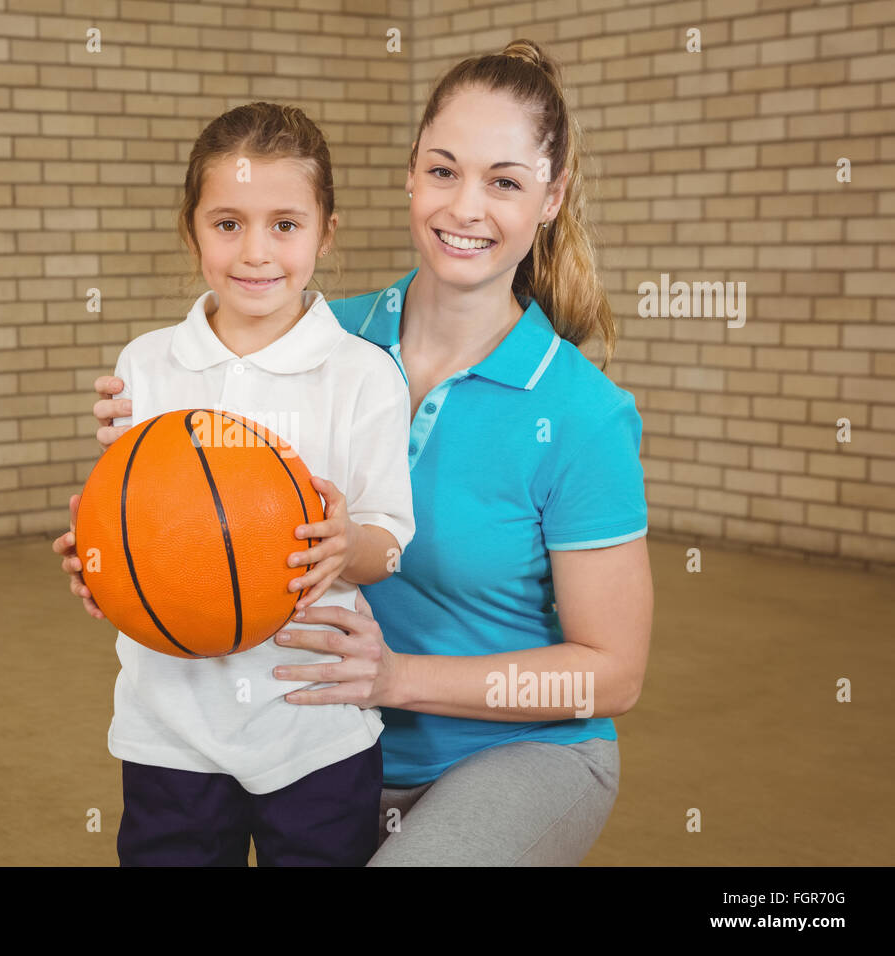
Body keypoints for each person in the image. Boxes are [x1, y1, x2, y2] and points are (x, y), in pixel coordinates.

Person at [57, 40, 654, 866]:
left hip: (503, 751)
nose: (466, 208)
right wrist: (131, 504)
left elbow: (611, 677)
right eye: (444, 171)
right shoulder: (315, 333)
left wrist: (397, 679)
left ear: (551, 198)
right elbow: (191, 468)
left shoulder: (582, 413)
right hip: (317, 733)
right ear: (411, 176)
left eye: (506, 181)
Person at [58, 101, 418, 866]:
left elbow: (389, 542)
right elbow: (131, 526)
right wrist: (99, 561)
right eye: (228, 223)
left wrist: (348, 545)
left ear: (326, 231)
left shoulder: (363, 376)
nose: (256, 252)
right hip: (170, 727)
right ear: (191, 231)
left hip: (314, 722)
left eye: (285, 224)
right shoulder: (145, 365)